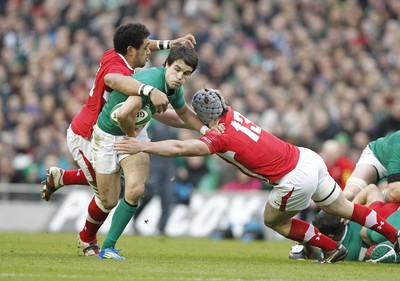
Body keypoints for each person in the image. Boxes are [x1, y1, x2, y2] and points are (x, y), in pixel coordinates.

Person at [113, 88, 400, 263]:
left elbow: (179, 147)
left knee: (273, 221)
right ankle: (394, 234)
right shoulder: (230, 115)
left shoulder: (219, 138)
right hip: (307, 158)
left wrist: (142, 146)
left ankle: (330, 247)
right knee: (346, 209)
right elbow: (186, 121)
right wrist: (151, 113)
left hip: (293, 178)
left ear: (203, 115)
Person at [40, 22, 196, 256]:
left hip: (118, 128)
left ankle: (63, 181)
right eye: (146, 47)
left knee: (127, 187)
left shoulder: (116, 53)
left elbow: (144, 50)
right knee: (108, 198)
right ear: (131, 50)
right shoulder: (120, 69)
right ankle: (87, 237)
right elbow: (114, 80)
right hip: (88, 133)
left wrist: (169, 44)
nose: (150, 51)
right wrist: (148, 91)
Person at [93, 45, 208, 260]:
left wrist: (206, 130)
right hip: (109, 135)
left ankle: (108, 248)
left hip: (135, 135)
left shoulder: (174, 89)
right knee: (108, 201)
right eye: (176, 70)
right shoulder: (150, 82)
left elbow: (183, 114)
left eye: (186, 74)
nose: (180, 77)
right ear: (166, 64)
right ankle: (64, 179)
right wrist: (132, 139)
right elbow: (124, 114)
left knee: (135, 190)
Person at [342, 130, 400, 202]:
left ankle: (377, 191)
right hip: (377, 159)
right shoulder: (398, 142)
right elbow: (394, 191)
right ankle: (329, 210)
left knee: (387, 197)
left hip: (394, 172)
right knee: (351, 194)